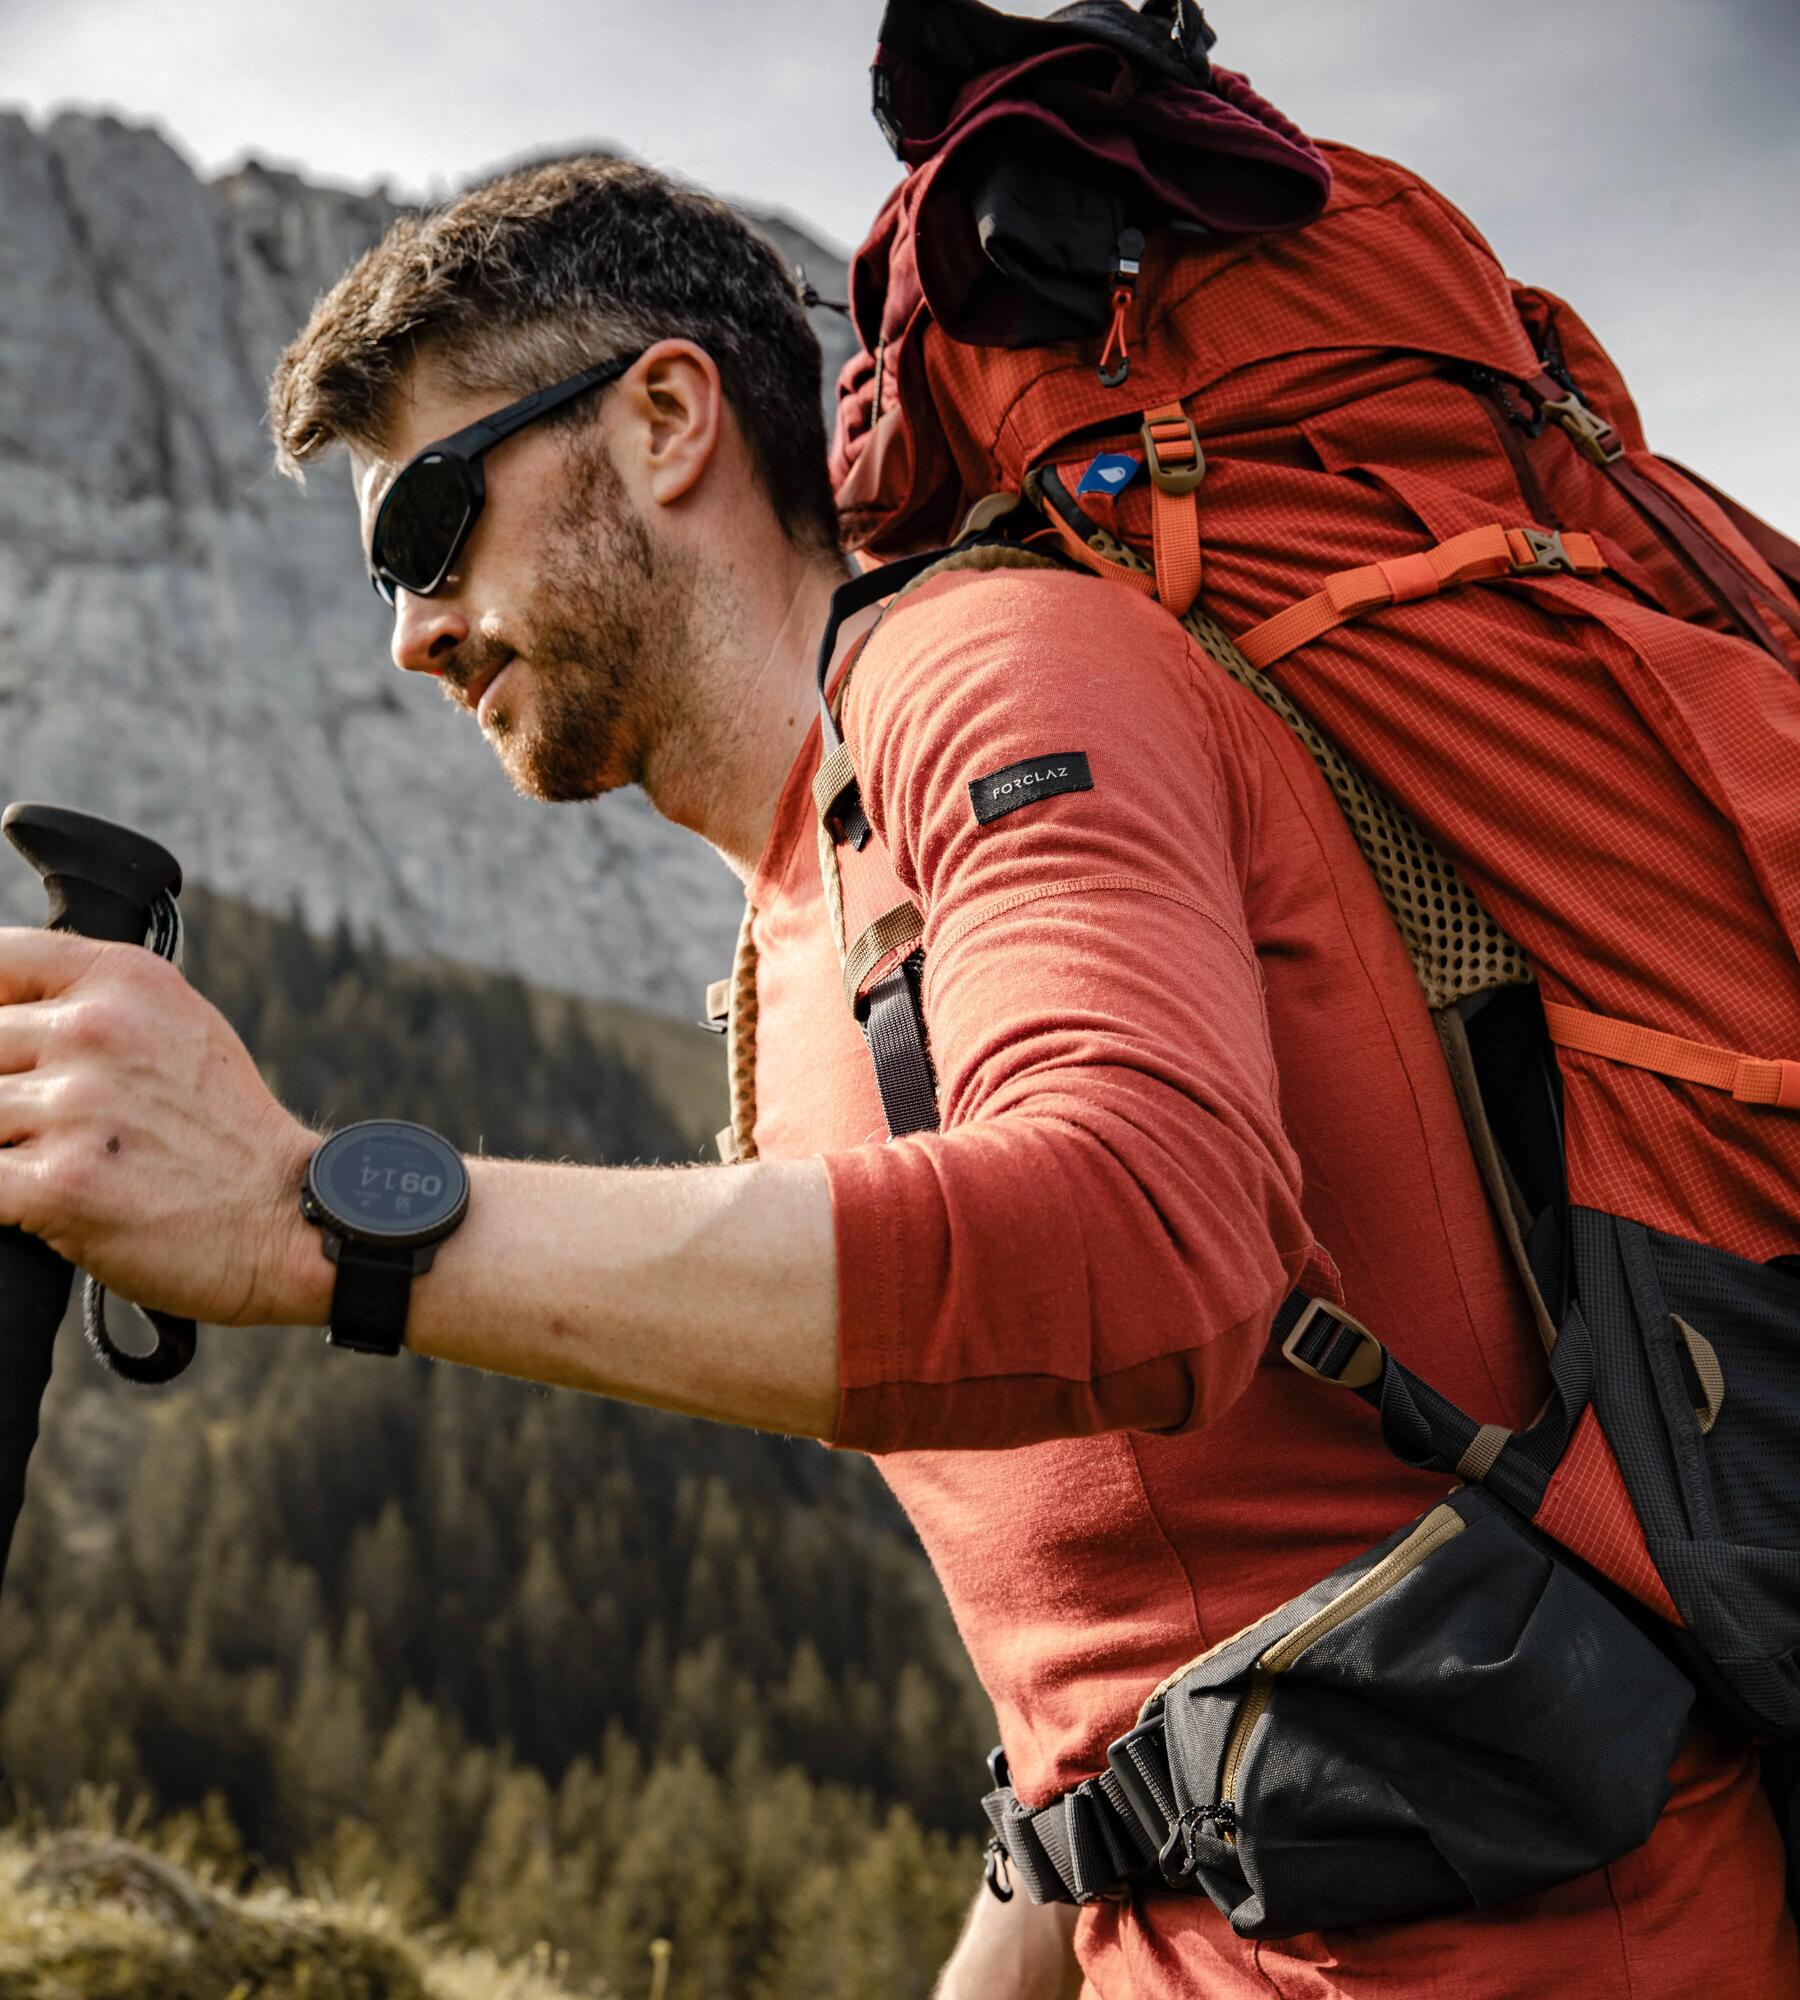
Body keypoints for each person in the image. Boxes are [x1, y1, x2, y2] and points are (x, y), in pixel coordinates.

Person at [0, 155, 1791, 1999]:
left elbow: (1146, 1241)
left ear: (669, 419)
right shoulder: (794, 929)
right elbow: (1105, 1664)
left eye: (432, 527)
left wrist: (314, 1220)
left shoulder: (995, 668)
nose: (412, 631)